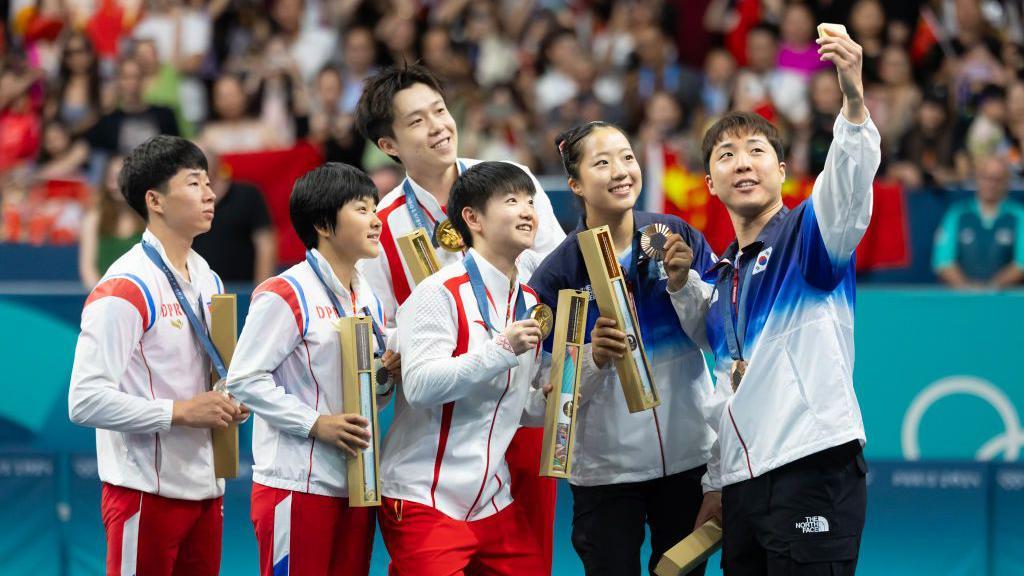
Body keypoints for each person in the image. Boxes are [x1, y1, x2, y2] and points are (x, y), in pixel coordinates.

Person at [354, 63, 565, 569]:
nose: (438, 127)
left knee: (531, 560)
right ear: (389, 145)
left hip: (518, 414)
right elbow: (382, 334)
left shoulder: (512, 186)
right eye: (417, 121)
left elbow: (559, 280)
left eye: (441, 111)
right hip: (438, 432)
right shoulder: (382, 228)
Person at [687, 30, 881, 575]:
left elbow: (847, 184)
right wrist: (718, 482)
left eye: (757, 151)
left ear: (782, 170)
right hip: (745, 489)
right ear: (710, 181)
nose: (743, 162)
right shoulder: (723, 281)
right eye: (727, 155)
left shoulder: (810, 236)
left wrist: (854, 101)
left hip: (811, 467)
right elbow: (729, 390)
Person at [529, 121, 718, 576]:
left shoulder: (676, 238)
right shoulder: (558, 275)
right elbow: (542, 394)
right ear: (574, 184)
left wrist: (683, 284)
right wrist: (590, 359)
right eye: (602, 162)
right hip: (605, 474)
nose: (620, 171)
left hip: (687, 456)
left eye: (627, 157)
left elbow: (717, 335)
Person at [67, 135, 248, 575]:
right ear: (155, 200)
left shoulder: (208, 277)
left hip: (207, 489)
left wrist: (227, 398)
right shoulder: (125, 286)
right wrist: (183, 411)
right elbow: (84, 400)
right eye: (194, 183)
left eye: (210, 181)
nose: (210, 193)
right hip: (145, 494)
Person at [226, 163, 398, 576]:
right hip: (295, 486)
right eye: (361, 209)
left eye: (375, 209)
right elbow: (243, 380)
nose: (376, 221)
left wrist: (385, 376)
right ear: (323, 223)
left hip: (356, 482)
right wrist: (315, 423)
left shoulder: (367, 295)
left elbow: (366, 387)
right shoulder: (285, 292)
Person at [377, 161, 549, 574]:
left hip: (492, 499)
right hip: (424, 497)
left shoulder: (527, 300)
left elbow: (520, 408)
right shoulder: (437, 293)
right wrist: (501, 348)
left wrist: (578, 382)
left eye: (529, 200)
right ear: (472, 218)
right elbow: (419, 386)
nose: (527, 210)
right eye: (511, 201)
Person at [933, 156, 1024, 289]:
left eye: (997, 179)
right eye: (986, 177)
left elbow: (1021, 264)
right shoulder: (958, 214)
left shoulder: (1019, 216)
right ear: (977, 179)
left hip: (1006, 301)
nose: (991, 184)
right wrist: (967, 289)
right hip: (963, 301)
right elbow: (943, 261)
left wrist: (992, 287)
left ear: (1007, 182)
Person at [191, 150, 276, 284]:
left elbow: (266, 244)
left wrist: (262, 290)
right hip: (197, 292)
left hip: (243, 290)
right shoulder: (185, 202)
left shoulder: (247, 195)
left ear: (218, 164)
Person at [78, 155, 145, 288]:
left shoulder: (150, 218)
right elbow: (88, 270)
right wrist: (106, 298)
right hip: (105, 298)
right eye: (111, 178)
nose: (116, 184)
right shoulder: (93, 219)